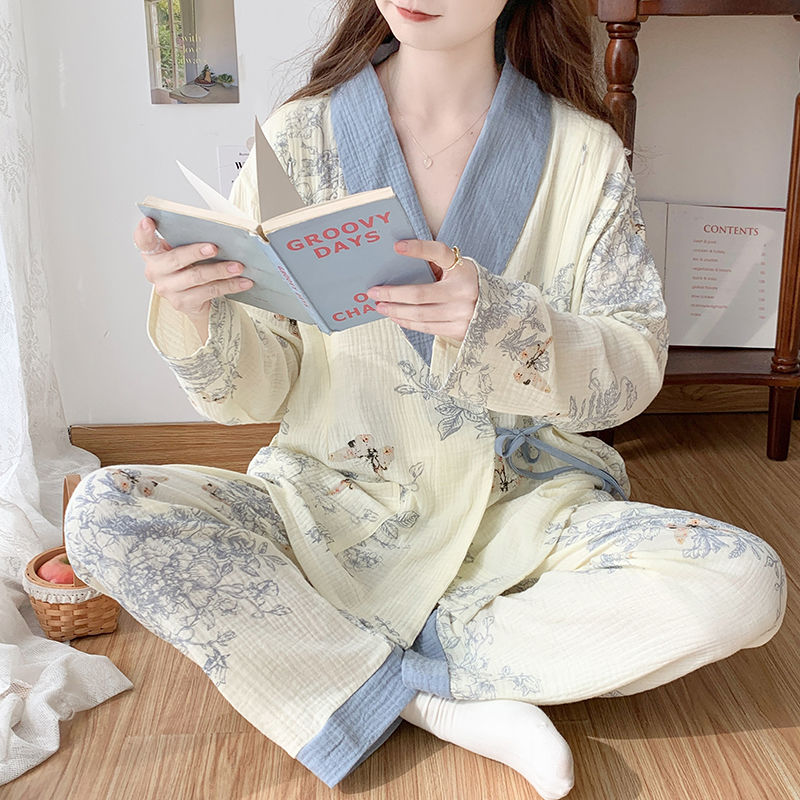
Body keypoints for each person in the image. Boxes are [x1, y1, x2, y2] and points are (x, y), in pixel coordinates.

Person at [64, 1, 787, 797]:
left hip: (519, 519)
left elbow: (632, 371)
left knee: (745, 583)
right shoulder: (299, 136)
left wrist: (499, 324)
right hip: (327, 504)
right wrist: (199, 313)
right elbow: (262, 390)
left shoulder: (583, 152)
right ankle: (432, 697)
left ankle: (352, 669)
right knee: (103, 511)